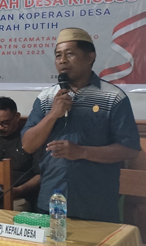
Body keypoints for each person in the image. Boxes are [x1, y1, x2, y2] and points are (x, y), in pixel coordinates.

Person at [21, 28, 140, 223]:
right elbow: (28, 145)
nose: (62, 61)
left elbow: (130, 149)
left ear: (90, 57)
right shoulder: (46, 98)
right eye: (58, 55)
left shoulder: (112, 97)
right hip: (52, 200)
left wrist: (82, 152)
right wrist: (53, 114)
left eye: (70, 54)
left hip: (96, 204)